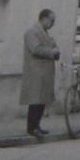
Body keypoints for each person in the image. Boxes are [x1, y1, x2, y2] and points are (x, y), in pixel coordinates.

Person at [20, 8, 60, 139]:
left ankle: (37, 126)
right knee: (35, 101)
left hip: (44, 72)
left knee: (42, 100)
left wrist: (56, 51)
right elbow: (35, 49)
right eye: (51, 20)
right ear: (44, 18)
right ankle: (31, 128)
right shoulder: (32, 32)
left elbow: (54, 46)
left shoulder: (45, 33)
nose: (53, 23)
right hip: (36, 71)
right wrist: (52, 51)